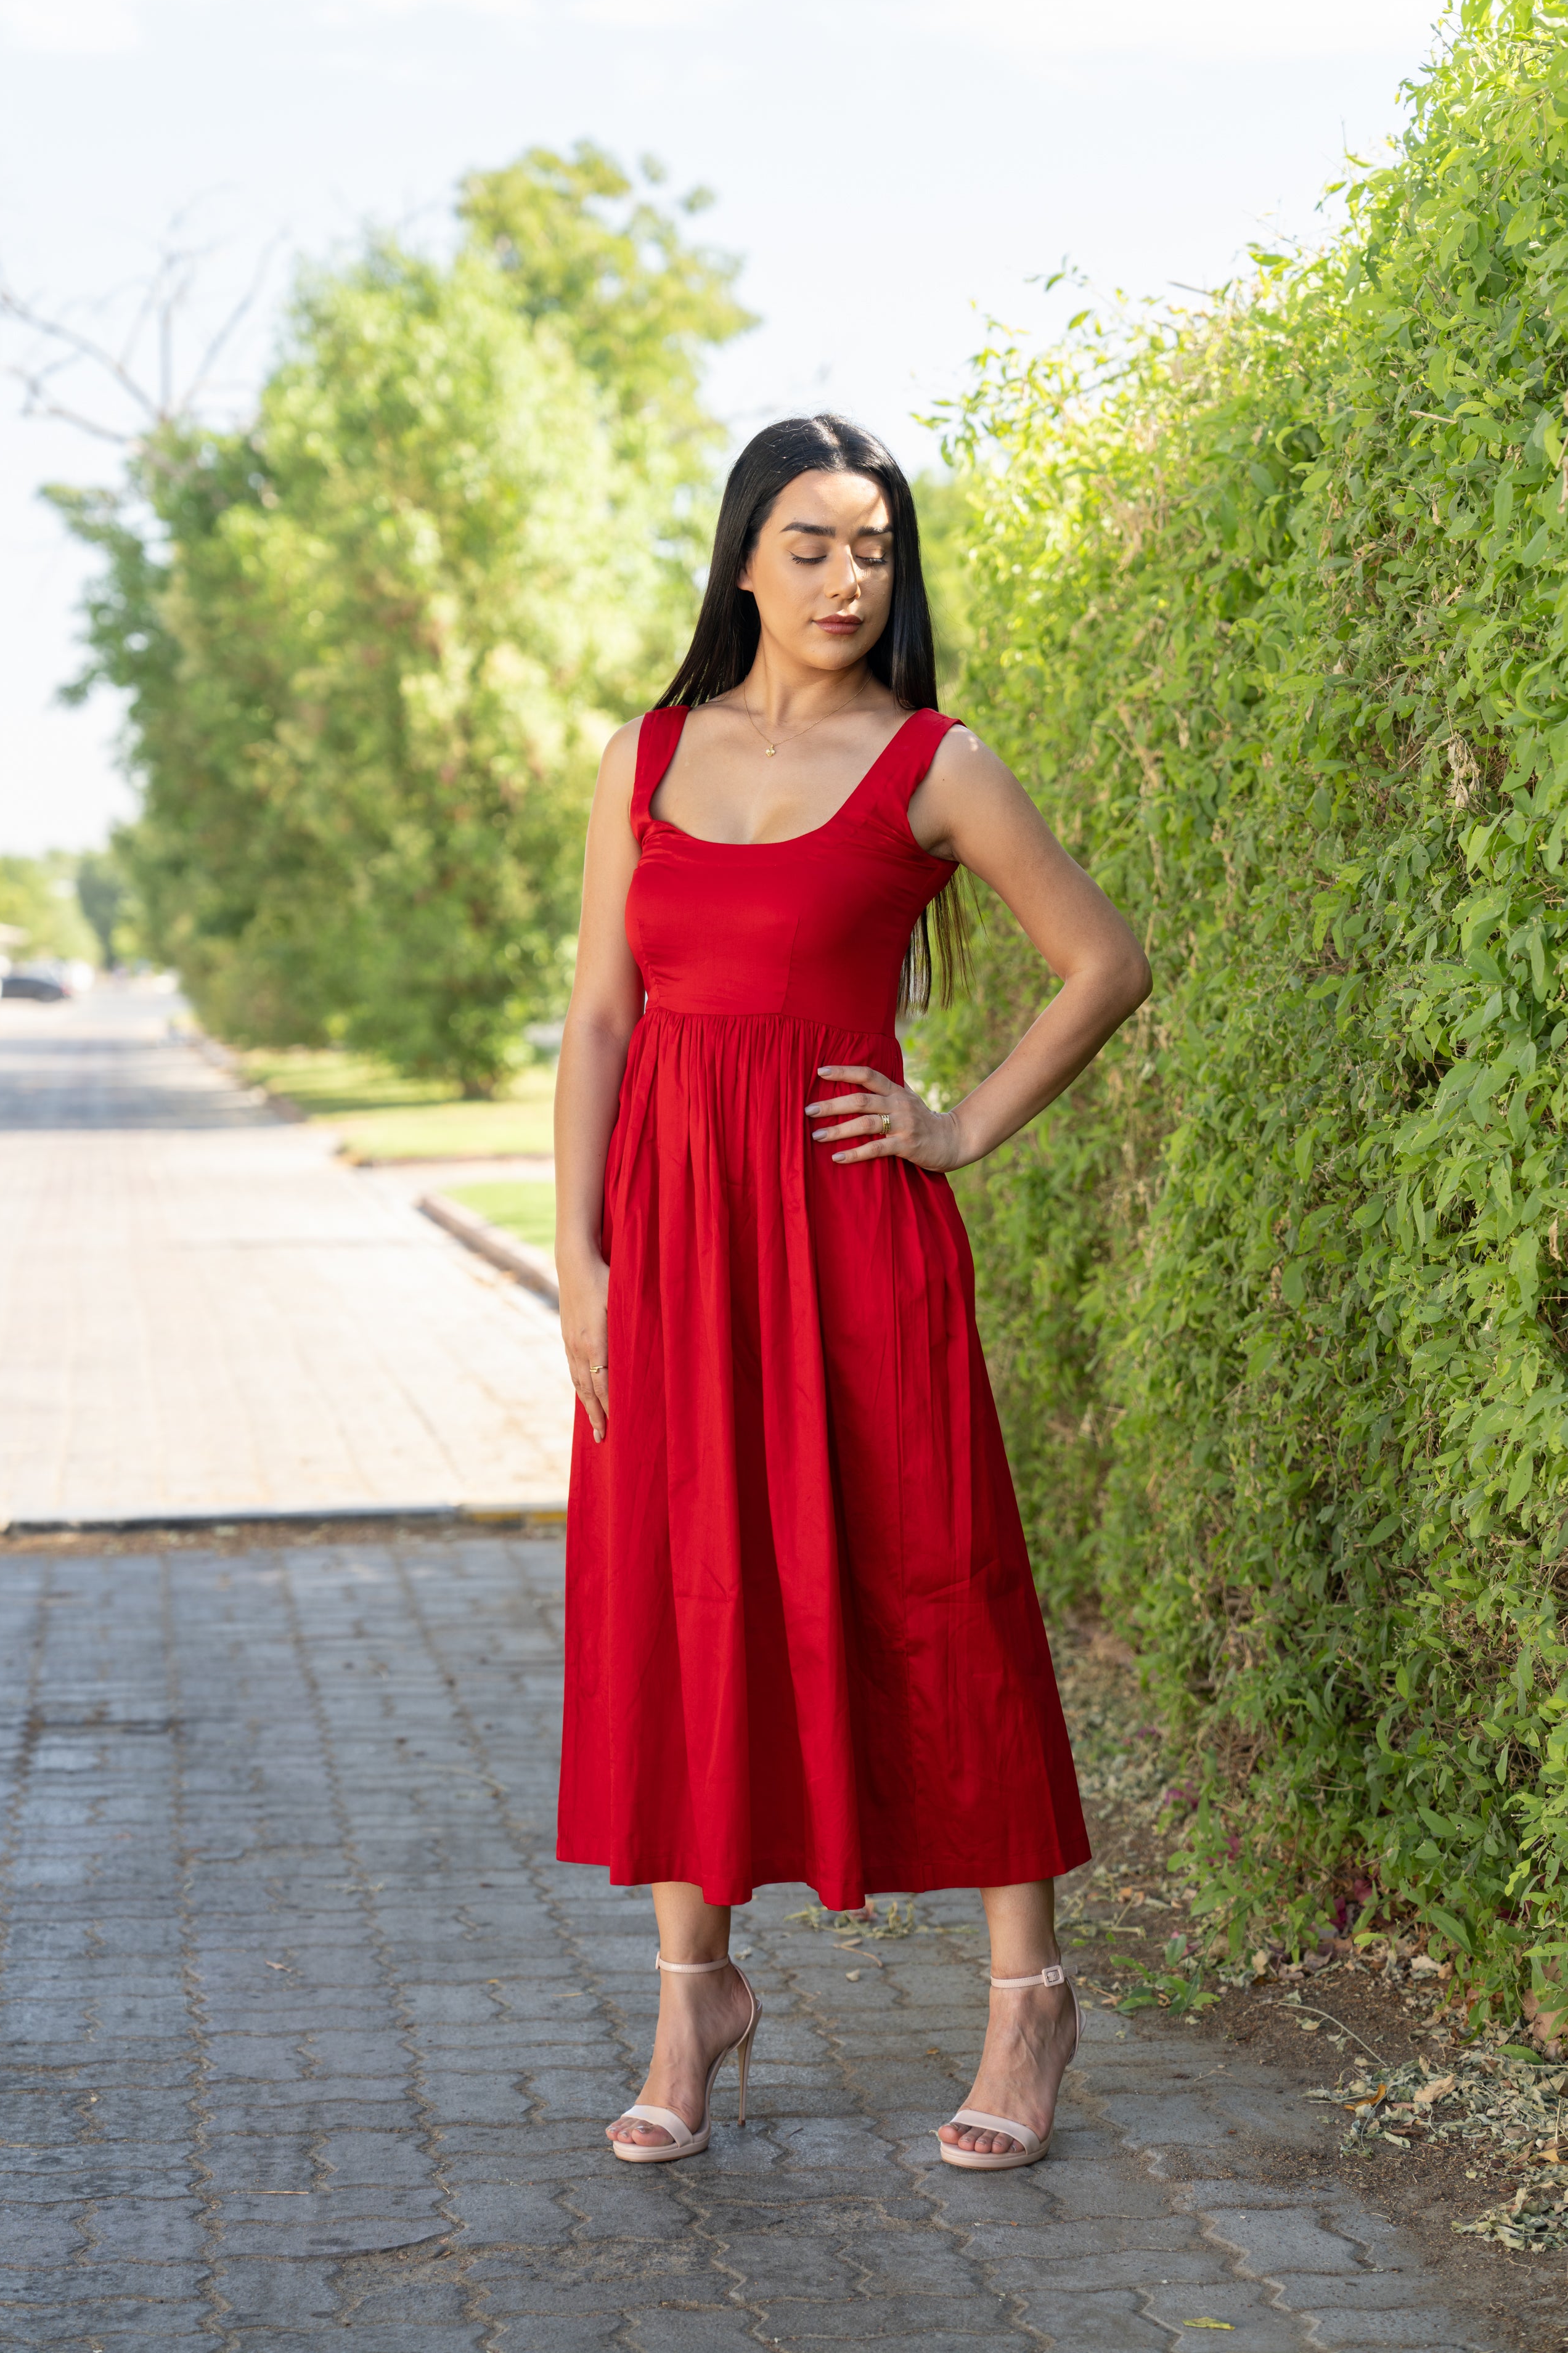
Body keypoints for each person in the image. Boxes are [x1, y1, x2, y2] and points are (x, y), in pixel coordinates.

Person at [552, 413, 1151, 2170]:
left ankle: (1025, 2003)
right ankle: (693, 1994)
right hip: (667, 1242)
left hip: (848, 1235)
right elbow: (599, 1015)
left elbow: (1102, 962)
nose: (845, 577)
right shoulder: (644, 755)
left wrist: (956, 1124)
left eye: (873, 547)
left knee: (934, 1579)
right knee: (686, 1588)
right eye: (810, 543)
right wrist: (578, 1259)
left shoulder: (933, 762)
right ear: (742, 557)